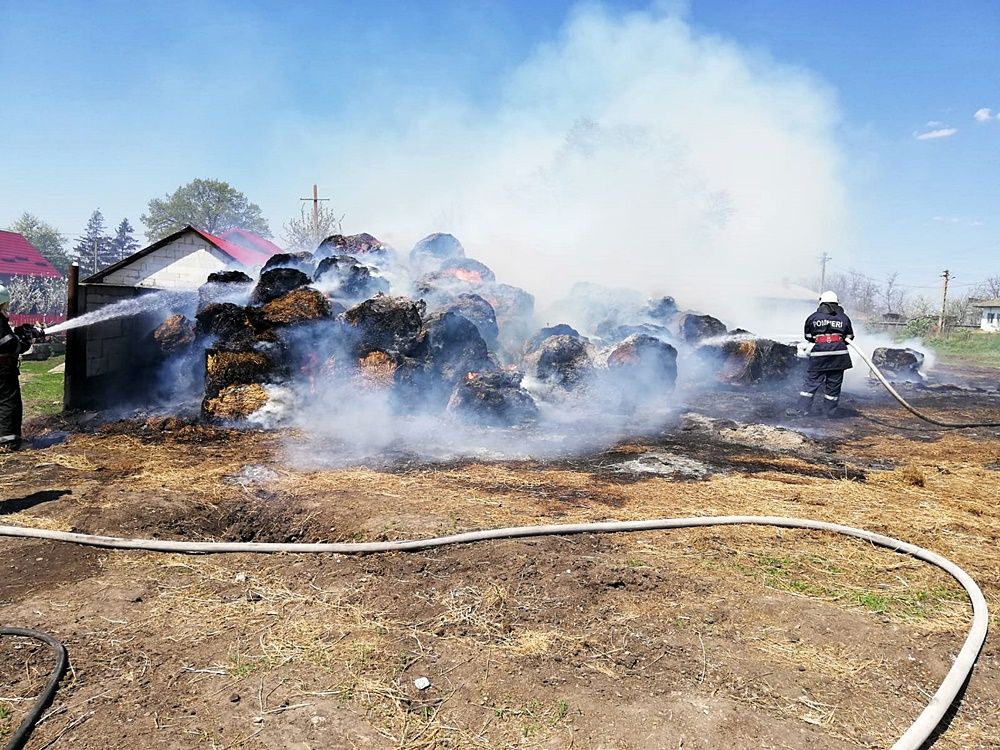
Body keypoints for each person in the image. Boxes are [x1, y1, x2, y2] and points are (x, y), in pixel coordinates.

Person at [789, 290, 854, 418]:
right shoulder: (844, 318)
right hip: (839, 355)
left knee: (811, 382)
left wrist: (822, 339)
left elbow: (809, 337)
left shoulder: (813, 317)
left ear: (821, 302)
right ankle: (829, 413)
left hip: (820, 354)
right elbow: (850, 337)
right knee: (833, 385)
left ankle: (802, 410)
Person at [0, 284, 38, 451]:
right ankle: (7, 442)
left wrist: (19, 332)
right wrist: (25, 340)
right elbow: (8, 344)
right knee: (9, 402)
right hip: (2, 370)